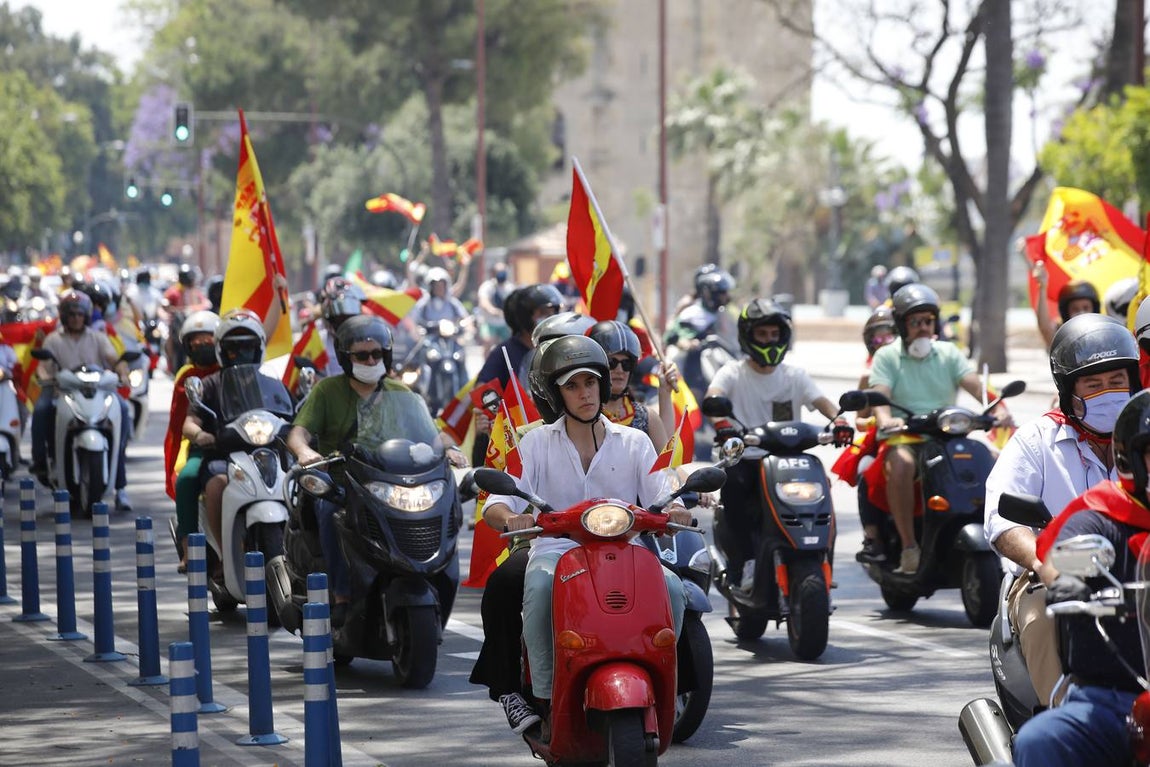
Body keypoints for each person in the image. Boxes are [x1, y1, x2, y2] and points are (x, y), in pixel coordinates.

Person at [481, 335, 691, 735]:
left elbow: (662, 495)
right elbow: (497, 500)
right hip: (557, 550)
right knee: (538, 586)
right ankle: (545, 694)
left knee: (674, 590)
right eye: (572, 385)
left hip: (624, 550)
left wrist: (676, 510)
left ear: (602, 384)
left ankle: (662, 678)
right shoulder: (535, 443)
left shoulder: (635, 442)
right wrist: (510, 517)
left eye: (591, 382)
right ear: (555, 393)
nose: (585, 393)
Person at [984, 313, 1138, 707]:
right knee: (1041, 617)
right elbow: (1002, 522)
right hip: (1049, 579)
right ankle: (1066, 716)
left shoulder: (1145, 437)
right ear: (1069, 390)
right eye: (1094, 385)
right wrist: (1044, 565)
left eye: (1117, 381)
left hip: (1138, 574)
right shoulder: (1035, 441)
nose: (1109, 393)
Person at [285, 315, 465, 627]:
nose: (370, 361)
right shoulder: (327, 391)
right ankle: (342, 595)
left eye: (377, 354)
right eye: (362, 356)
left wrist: (448, 450)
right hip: (343, 483)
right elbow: (298, 433)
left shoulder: (402, 393)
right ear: (346, 358)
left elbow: (432, 435)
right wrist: (305, 452)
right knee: (330, 514)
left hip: (392, 483)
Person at [1012, 390, 1150, 767]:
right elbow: (1060, 555)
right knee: (1041, 740)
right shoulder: (1101, 515)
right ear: (1130, 458)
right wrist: (1065, 581)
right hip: (1111, 700)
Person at [705, 298, 852, 586]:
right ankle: (745, 562)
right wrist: (722, 425)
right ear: (748, 336)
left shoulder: (794, 376)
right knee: (733, 486)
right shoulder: (733, 372)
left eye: (775, 334)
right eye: (762, 334)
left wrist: (840, 421)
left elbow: (822, 402)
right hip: (745, 456)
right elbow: (714, 397)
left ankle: (821, 560)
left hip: (788, 458)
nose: (770, 340)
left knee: (821, 491)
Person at [869, 283, 1012, 574]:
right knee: (900, 465)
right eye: (915, 322)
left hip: (946, 437)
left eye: (928, 321)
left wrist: (998, 409)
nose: (923, 328)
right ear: (902, 325)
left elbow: (977, 387)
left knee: (995, 460)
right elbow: (880, 396)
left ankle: (1003, 536)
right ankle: (909, 547)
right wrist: (885, 418)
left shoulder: (948, 353)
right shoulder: (886, 356)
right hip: (905, 437)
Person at [183, 310, 292, 571]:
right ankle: (224, 556)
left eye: (248, 347)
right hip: (224, 454)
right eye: (233, 350)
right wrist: (201, 435)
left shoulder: (272, 381)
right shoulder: (210, 384)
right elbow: (190, 423)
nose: (241, 354)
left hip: (271, 454)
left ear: (259, 348)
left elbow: (294, 414)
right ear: (222, 351)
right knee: (216, 485)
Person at [30, 289, 133, 510]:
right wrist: (46, 377)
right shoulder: (53, 339)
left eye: (79, 314)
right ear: (64, 316)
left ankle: (120, 482)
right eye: (71, 314)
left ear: (86, 316)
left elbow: (115, 360)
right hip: (62, 390)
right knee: (41, 409)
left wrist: (123, 373)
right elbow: (43, 367)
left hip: (97, 391)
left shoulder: (98, 337)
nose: (76, 318)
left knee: (123, 409)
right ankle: (41, 461)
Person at [471, 284, 563, 467]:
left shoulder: (557, 348)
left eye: (553, 312)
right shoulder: (504, 352)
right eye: (543, 312)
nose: (549, 317)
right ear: (525, 316)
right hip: (517, 438)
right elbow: (483, 390)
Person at [166, 310, 220, 573]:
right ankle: (189, 547)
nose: (202, 345)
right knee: (187, 479)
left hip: (243, 442)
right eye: (196, 342)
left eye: (207, 339)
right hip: (206, 445)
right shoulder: (190, 378)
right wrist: (199, 435)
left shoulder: (234, 371)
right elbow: (183, 421)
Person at [587, 319, 679, 449]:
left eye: (626, 364)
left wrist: (665, 392)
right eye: (612, 363)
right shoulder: (583, 414)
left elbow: (666, 455)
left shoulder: (646, 417)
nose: (620, 370)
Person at [1031, 261, 1100, 348]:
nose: (1081, 313)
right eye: (1075, 309)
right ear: (1065, 312)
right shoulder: (1061, 337)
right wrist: (1042, 287)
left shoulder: (1103, 332)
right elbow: (1045, 329)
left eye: (1086, 308)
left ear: (1095, 309)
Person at [476, 262, 515, 356]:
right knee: (488, 341)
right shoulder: (487, 286)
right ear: (493, 273)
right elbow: (484, 302)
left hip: (504, 323)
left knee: (511, 345)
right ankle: (487, 363)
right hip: (489, 322)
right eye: (499, 272)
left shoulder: (510, 288)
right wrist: (493, 311)